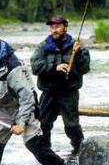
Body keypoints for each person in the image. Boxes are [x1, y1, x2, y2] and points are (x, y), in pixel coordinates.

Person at [0, 29, 77, 165]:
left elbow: (27, 98)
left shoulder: (13, 67)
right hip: (3, 109)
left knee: (35, 145)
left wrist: (21, 123)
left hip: (24, 107)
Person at [30, 15, 91, 156]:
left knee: (72, 126)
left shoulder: (77, 46)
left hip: (69, 92)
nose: (54, 30)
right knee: (43, 124)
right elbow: (35, 67)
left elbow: (85, 68)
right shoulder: (43, 46)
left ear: (65, 27)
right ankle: (45, 152)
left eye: (57, 26)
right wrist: (54, 68)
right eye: (52, 27)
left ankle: (79, 150)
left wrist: (79, 53)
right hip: (49, 92)